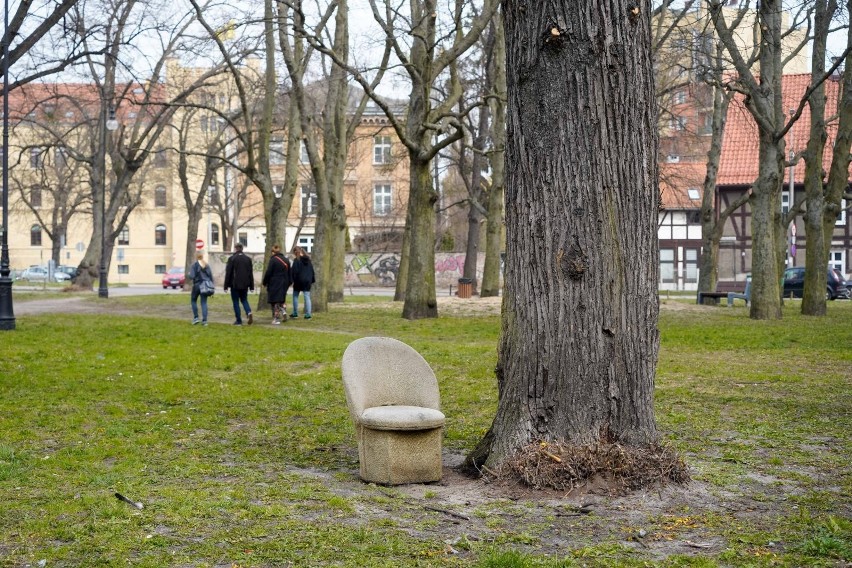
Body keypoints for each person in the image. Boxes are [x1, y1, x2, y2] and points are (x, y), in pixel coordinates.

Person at [224, 242, 255, 325]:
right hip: (245, 284)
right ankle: (248, 312)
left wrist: (226, 286)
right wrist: (252, 286)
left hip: (235, 284)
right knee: (244, 300)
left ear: (235, 248)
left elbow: (228, 273)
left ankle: (238, 320)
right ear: (242, 249)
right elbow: (250, 273)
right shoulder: (248, 259)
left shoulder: (232, 259)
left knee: (235, 302)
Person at [262, 244, 292, 325]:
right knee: (282, 298)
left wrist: (264, 282)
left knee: (275, 301)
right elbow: (290, 272)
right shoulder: (286, 260)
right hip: (285, 282)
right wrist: (289, 282)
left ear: (272, 252)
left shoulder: (273, 260)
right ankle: (284, 310)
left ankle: (276, 318)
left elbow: (268, 272)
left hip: (275, 282)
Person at [188, 251, 213, 326]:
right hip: (205, 286)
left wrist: (189, 275)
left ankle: (196, 318)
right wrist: (211, 287)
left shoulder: (194, 265)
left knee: (193, 300)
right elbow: (210, 276)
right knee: (204, 303)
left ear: (196, 256)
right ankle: (204, 321)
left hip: (197, 285)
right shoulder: (206, 265)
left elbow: (191, 276)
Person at [290, 246, 316, 319]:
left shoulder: (296, 260)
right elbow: (312, 271)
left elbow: (294, 272)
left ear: (295, 252)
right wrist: (312, 280)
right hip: (307, 281)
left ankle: (295, 313)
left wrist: (292, 280)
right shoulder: (308, 260)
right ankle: (308, 314)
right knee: (307, 296)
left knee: (295, 296)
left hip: (298, 280)